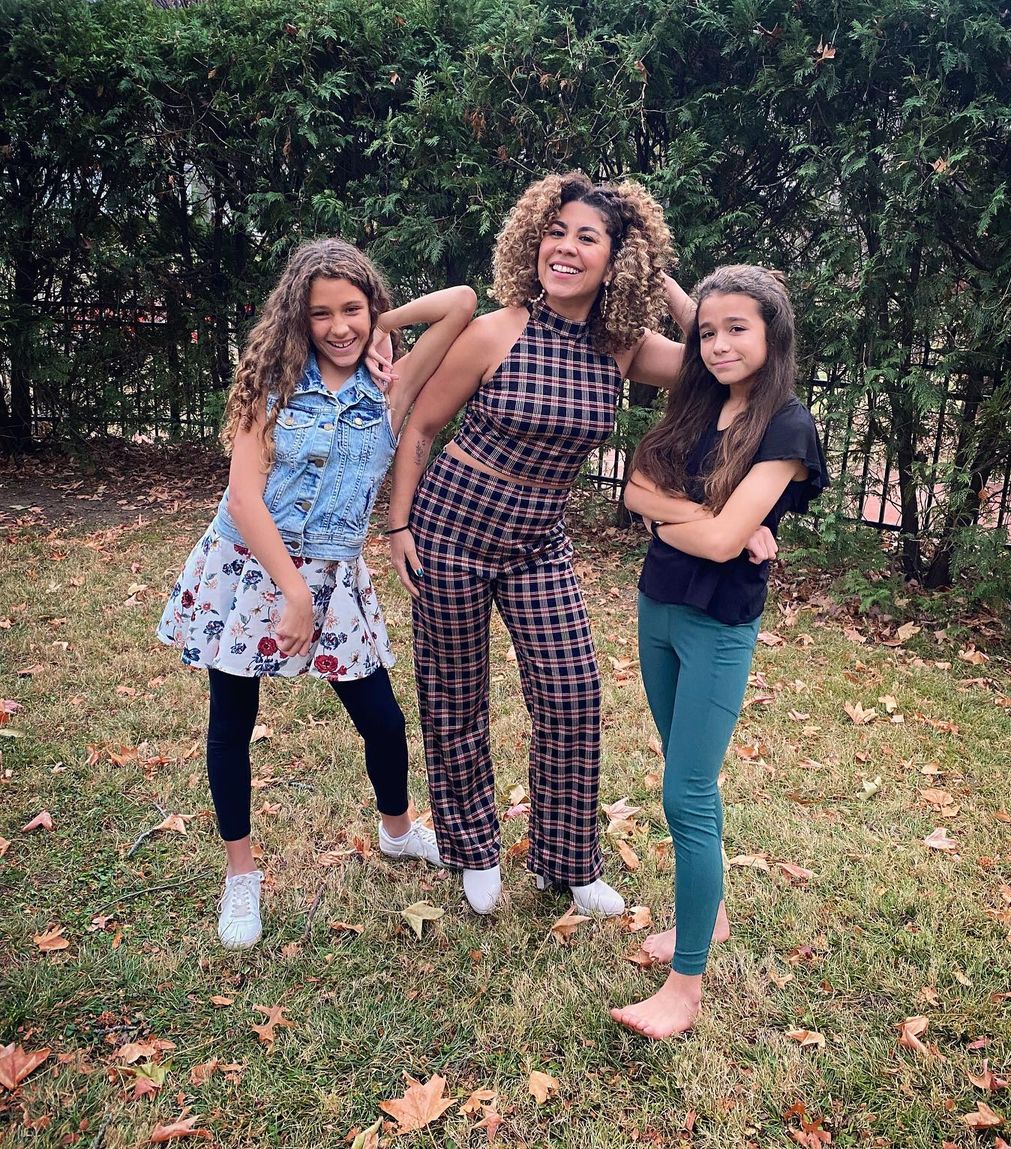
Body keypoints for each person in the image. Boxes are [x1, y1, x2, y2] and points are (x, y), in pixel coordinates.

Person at [386, 172, 692, 917]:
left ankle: (569, 860)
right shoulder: (497, 330)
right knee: (454, 693)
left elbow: (708, 362)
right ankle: (473, 848)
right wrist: (397, 524)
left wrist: (659, 276)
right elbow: (422, 425)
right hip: (451, 528)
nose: (565, 248)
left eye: (588, 237)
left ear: (616, 258)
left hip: (537, 543)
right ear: (533, 241)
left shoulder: (622, 348)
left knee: (572, 692)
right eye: (555, 232)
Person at [157, 238, 476, 949]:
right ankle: (241, 875)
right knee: (232, 720)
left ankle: (397, 830)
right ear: (297, 318)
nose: (339, 327)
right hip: (251, 568)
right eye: (321, 313)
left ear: (372, 308)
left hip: (336, 576)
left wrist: (385, 327)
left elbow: (461, 302)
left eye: (352, 310)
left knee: (383, 721)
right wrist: (293, 591)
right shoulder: (270, 384)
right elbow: (244, 497)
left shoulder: (390, 388)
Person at [610, 265, 829, 1038]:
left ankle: (686, 986)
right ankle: (716, 912)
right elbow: (634, 491)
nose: (719, 343)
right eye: (707, 331)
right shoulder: (698, 402)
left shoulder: (787, 427)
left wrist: (702, 524)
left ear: (773, 334)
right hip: (657, 607)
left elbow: (719, 540)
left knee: (686, 792)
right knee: (684, 771)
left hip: (717, 624)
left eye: (738, 328)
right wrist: (711, 522)